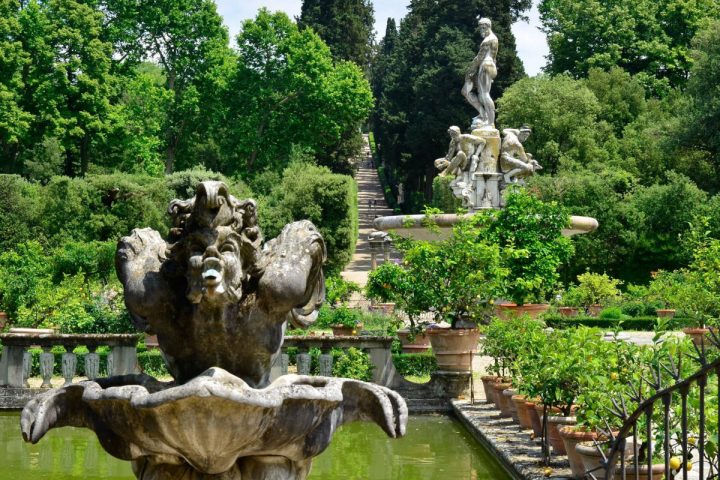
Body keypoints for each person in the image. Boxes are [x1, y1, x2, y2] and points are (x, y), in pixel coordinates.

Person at [461, 18, 499, 127]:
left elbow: (479, 57)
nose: (481, 30)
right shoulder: (494, 39)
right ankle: (484, 115)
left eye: (483, 27)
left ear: (488, 26)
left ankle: (490, 122)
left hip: (485, 65)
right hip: (490, 66)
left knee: (484, 95)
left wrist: (470, 71)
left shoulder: (488, 40)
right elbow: (494, 57)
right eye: (480, 28)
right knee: (468, 92)